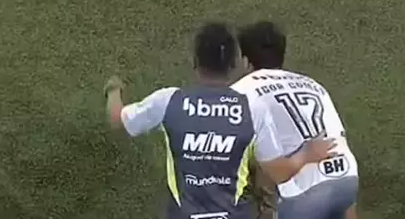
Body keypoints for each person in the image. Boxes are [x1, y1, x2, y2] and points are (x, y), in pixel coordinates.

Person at [103, 22, 335, 219]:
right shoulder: (253, 108)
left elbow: (118, 120)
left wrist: (114, 91)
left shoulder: (168, 101)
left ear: (195, 61)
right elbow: (278, 173)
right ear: (234, 64)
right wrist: (307, 154)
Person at [230, 21, 359, 219]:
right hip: (347, 180)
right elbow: (338, 142)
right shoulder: (313, 85)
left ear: (246, 61)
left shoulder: (241, 91)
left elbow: (277, 172)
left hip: (304, 196)